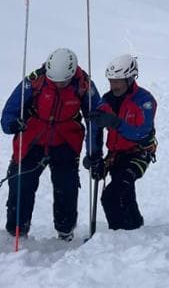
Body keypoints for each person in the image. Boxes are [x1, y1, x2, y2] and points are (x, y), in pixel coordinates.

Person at [1, 48, 101, 241]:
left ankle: (65, 231)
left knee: (67, 187)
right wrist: (12, 124)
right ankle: (16, 231)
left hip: (65, 141)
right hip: (33, 139)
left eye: (62, 81)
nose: (58, 84)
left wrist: (93, 153)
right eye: (54, 80)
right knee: (21, 184)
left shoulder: (84, 85)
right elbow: (10, 110)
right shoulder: (34, 81)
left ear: (72, 74)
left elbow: (94, 120)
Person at [83, 55, 157, 230]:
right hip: (115, 156)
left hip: (139, 154)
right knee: (125, 194)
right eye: (111, 81)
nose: (114, 85)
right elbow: (95, 128)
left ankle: (118, 236)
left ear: (130, 79)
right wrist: (93, 157)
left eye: (118, 81)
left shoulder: (145, 101)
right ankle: (135, 226)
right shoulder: (107, 101)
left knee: (111, 196)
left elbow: (143, 132)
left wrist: (115, 123)